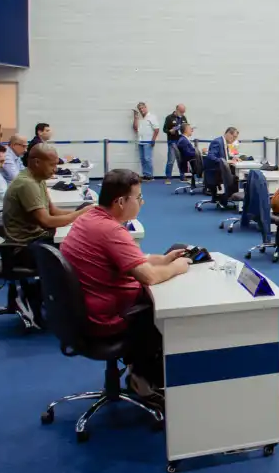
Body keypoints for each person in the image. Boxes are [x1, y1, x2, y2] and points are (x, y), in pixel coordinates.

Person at [61, 169, 191, 400]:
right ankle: (144, 379)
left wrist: (163, 260)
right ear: (121, 202)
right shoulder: (111, 230)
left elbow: (129, 258)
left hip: (83, 310)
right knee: (173, 309)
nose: (142, 202)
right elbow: (149, 277)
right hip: (109, 317)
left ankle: (138, 371)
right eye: (138, 197)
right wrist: (177, 267)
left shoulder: (90, 218)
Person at [2, 143, 91, 246]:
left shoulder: (39, 179)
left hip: (37, 237)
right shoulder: (27, 183)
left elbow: (53, 212)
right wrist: (80, 214)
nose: (55, 169)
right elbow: (47, 221)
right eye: (52, 165)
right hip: (27, 245)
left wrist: (80, 213)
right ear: (37, 162)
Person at [132, 102, 160, 181]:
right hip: (140, 141)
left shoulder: (152, 117)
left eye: (142, 108)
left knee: (147, 158)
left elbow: (156, 129)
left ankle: (150, 175)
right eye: (140, 109)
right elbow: (135, 128)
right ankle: (145, 174)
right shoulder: (140, 118)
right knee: (142, 158)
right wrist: (135, 117)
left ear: (145, 107)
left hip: (148, 141)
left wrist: (153, 140)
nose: (141, 110)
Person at [162, 104, 188, 185]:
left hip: (182, 142)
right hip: (172, 141)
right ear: (177, 110)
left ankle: (182, 176)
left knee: (182, 159)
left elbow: (186, 128)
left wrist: (189, 130)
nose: (182, 113)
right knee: (171, 160)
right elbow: (164, 129)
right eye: (181, 111)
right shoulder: (169, 118)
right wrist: (170, 131)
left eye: (183, 112)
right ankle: (168, 177)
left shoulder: (183, 118)